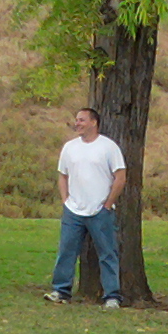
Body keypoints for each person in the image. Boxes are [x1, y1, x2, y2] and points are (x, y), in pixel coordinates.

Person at [46, 106, 127, 308]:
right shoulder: (70, 147)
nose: (78, 123)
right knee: (66, 251)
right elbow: (62, 175)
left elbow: (120, 177)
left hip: (100, 211)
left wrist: (107, 204)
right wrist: (65, 201)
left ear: (94, 122)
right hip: (73, 210)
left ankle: (112, 295)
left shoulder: (108, 147)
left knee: (107, 253)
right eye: (77, 120)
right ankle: (61, 290)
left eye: (82, 120)